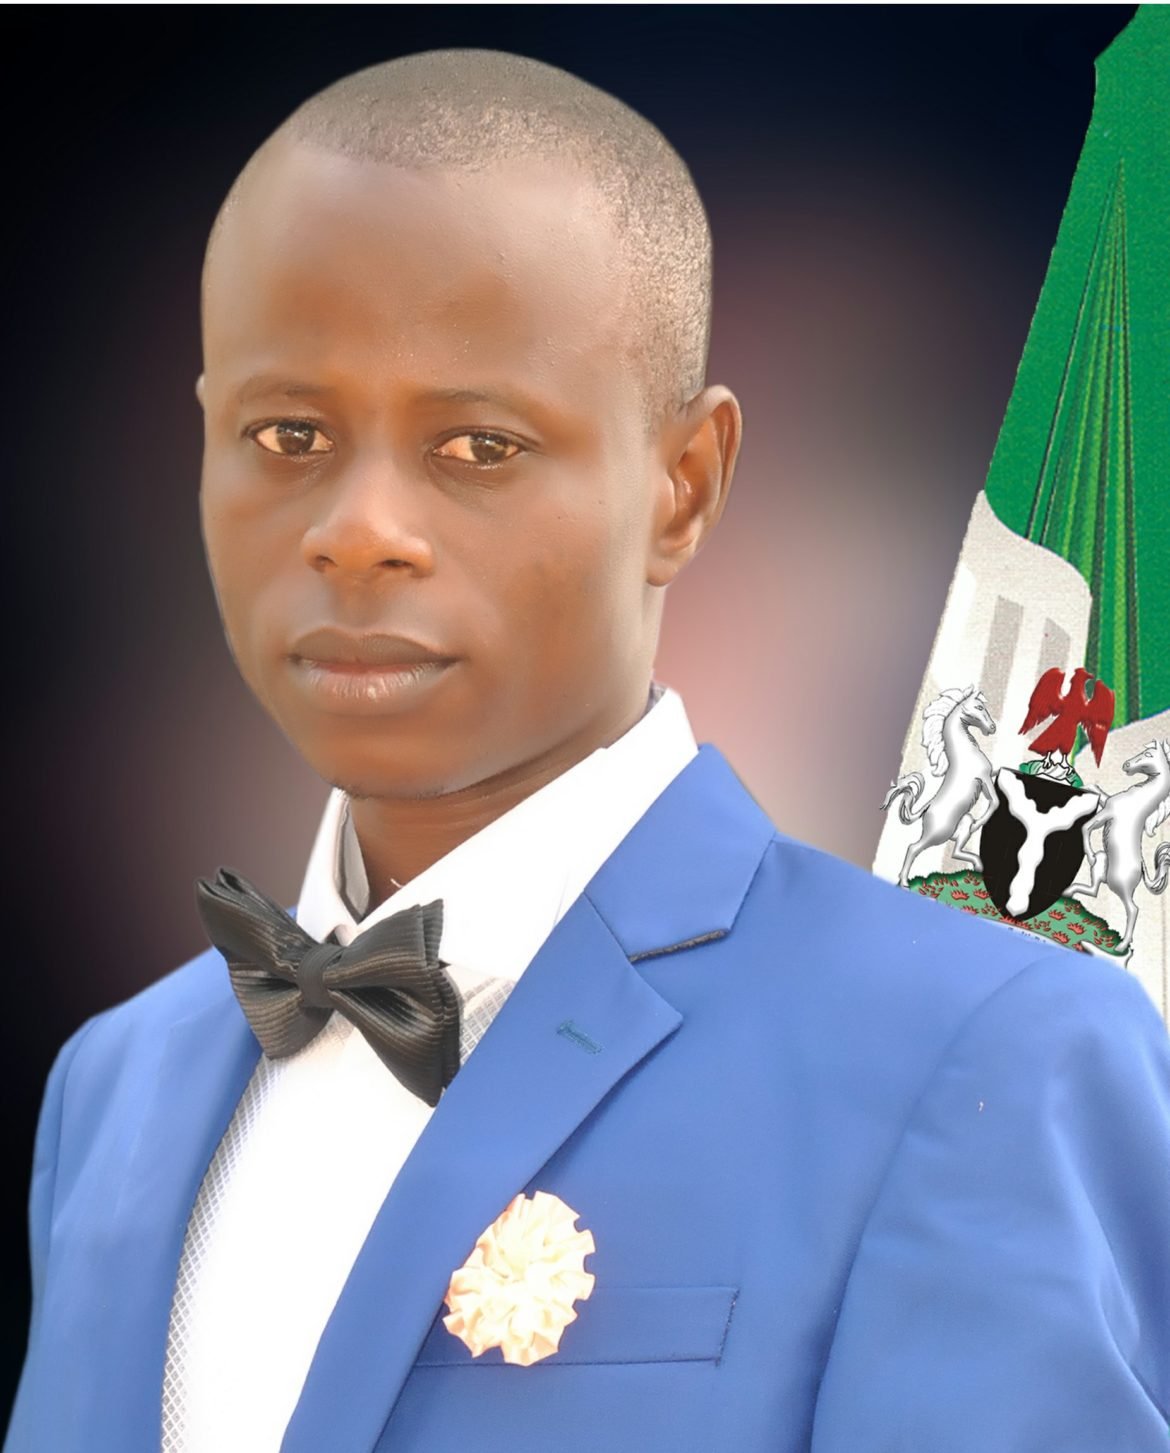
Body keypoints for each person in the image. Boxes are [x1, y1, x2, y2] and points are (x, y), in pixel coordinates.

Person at [6, 46, 1170, 1453]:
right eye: (288, 432)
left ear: (685, 485)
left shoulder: (985, 1053)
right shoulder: (111, 1088)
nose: (356, 530)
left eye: (478, 446)